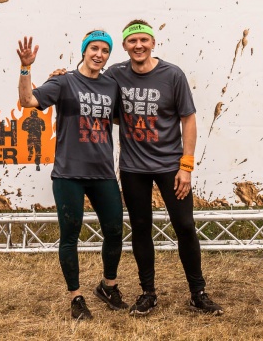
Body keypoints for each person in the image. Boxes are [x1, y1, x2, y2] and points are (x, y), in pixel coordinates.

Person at [106, 19, 224, 316]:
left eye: (143, 40)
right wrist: (64, 76)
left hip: (171, 165)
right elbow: (90, 87)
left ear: (153, 43)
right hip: (133, 167)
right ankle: (148, 293)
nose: (139, 45)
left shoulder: (172, 75)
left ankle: (198, 293)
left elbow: (188, 118)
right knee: (141, 228)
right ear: (125, 46)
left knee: (184, 226)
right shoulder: (115, 74)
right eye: (132, 41)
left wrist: (186, 165)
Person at [17, 31, 127, 321]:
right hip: (69, 174)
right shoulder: (64, 81)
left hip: (103, 172)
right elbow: (27, 100)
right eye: (94, 48)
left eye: (105, 50)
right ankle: (75, 297)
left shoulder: (111, 85)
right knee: (70, 235)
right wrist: (26, 67)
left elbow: (120, 118)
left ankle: (108, 286)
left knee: (115, 230)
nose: (99, 54)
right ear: (84, 51)